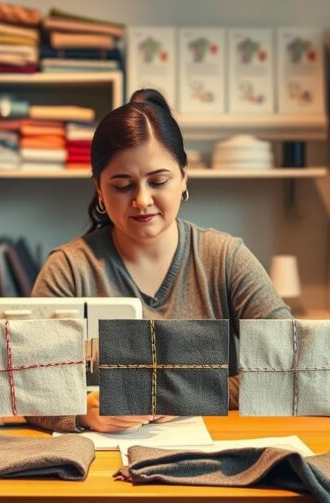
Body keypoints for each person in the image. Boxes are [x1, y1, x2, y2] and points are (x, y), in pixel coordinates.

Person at [26, 88, 292, 436]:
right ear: (99, 190)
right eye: (122, 185)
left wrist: (188, 394)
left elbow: (289, 366)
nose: (141, 200)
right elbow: (26, 385)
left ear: (183, 177)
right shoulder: (69, 269)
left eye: (158, 181)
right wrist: (81, 409)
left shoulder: (225, 258)